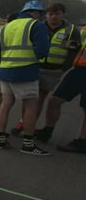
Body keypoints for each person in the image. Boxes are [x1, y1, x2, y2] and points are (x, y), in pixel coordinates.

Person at [13, 2, 81, 140]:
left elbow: (74, 51)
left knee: (39, 98)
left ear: (63, 14)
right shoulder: (39, 26)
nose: (53, 17)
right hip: (35, 66)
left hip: (54, 70)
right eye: (50, 14)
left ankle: (30, 127)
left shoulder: (72, 30)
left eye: (57, 14)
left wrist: (64, 68)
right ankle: (24, 123)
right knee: (31, 98)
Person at [0, 0, 50, 155]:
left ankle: (0, 139)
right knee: (31, 105)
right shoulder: (36, 25)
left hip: (5, 70)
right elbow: (43, 50)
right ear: (36, 12)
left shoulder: (7, 26)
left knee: (6, 103)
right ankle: (28, 144)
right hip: (25, 71)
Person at [36, 24, 86, 153]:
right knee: (55, 100)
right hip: (79, 69)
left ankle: (82, 141)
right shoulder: (84, 30)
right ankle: (47, 130)